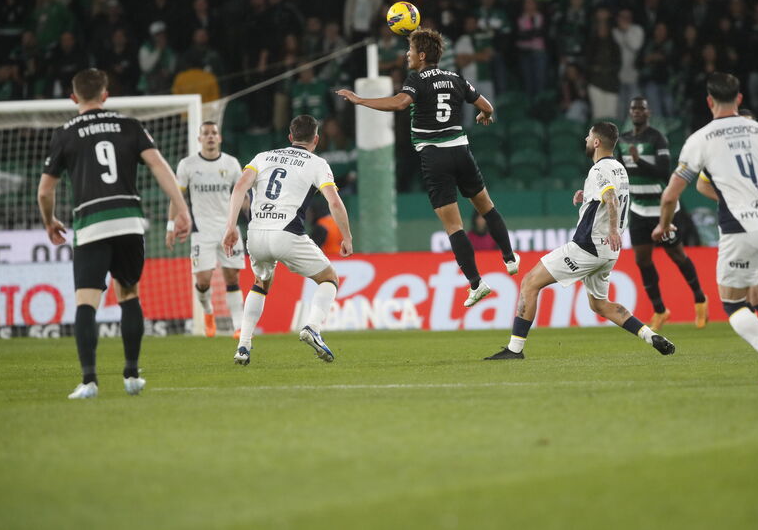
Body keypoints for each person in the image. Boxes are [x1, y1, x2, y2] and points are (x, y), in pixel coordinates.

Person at [654, 73, 758, 384]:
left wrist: (664, 226)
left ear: (709, 101)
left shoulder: (701, 139)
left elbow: (670, 195)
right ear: (740, 98)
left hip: (738, 229)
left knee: (734, 303)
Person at [336, 27, 519, 307]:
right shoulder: (456, 78)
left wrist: (361, 100)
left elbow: (400, 103)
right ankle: (509, 257)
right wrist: (485, 115)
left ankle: (476, 283)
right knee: (486, 206)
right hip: (461, 151)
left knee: (454, 226)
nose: (406, 55)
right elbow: (487, 106)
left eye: (410, 51)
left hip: (435, 158)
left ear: (422, 55)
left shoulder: (417, 79)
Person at [37, 68, 191, 399]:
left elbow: (45, 191)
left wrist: (50, 221)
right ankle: (132, 375)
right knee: (129, 294)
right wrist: (181, 208)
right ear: (106, 95)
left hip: (91, 224)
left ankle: (89, 381)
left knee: (86, 303)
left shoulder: (65, 133)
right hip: (128, 222)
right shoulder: (129, 125)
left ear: (73, 97)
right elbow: (159, 166)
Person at [484, 122, 676, 360]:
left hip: (588, 246)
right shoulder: (619, 168)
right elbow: (609, 196)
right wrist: (587, 196)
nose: (585, 140)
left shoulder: (598, 170)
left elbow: (611, 199)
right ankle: (651, 336)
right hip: (608, 252)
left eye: (588, 136)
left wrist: (614, 229)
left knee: (529, 283)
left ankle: (514, 350)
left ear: (596, 142)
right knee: (600, 305)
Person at [222, 115, 353, 365]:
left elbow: (239, 187)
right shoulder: (318, 163)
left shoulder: (262, 157)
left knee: (260, 283)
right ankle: (313, 327)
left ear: (290, 137)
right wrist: (346, 236)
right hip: (287, 233)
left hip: (256, 234)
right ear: (316, 139)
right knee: (329, 278)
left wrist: (230, 227)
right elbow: (334, 202)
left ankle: (243, 346)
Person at [616, 97, 708, 330]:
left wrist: (638, 161)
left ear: (648, 113)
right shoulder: (623, 140)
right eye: (634, 108)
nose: (637, 112)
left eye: (641, 109)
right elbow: (619, 169)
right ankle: (660, 310)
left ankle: (699, 299)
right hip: (638, 210)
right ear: (629, 113)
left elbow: (664, 172)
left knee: (677, 256)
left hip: (662, 211)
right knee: (642, 260)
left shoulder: (657, 138)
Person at [166, 121, 246, 339]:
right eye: (206, 133)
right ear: (199, 139)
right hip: (201, 231)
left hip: (228, 228)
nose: (210, 136)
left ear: (219, 138)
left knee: (232, 278)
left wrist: (255, 216)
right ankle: (209, 313)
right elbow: (177, 196)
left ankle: (238, 326)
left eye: (214, 133)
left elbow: (242, 195)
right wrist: (170, 226)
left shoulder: (231, 164)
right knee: (203, 281)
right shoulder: (187, 165)